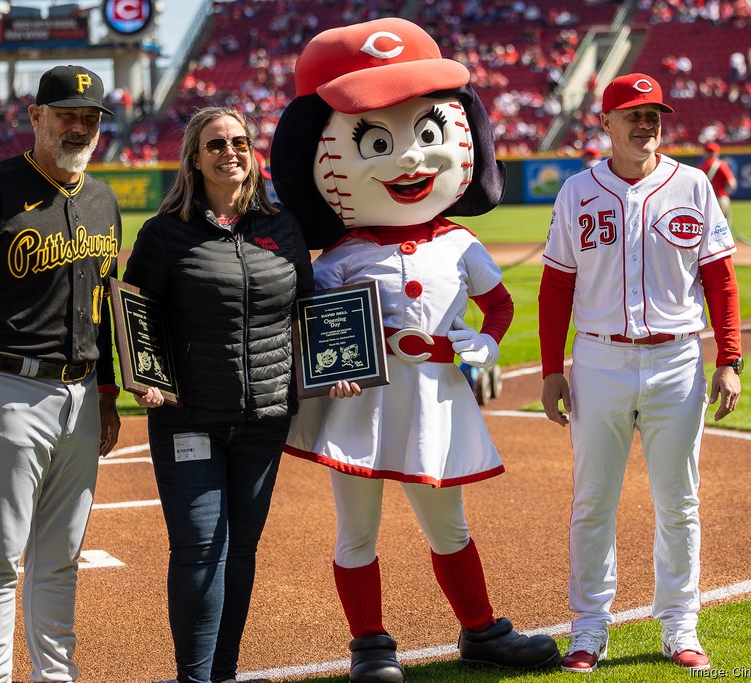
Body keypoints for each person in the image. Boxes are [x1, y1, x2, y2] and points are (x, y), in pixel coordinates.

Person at [273, 18, 561, 683]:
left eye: (424, 134)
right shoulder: (338, 258)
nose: (408, 157)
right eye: (378, 141)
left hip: (436, 393)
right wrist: (326, 364)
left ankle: (481, 629)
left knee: (449, 526)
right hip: (360, 405)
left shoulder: (459, 242)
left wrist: (485, 345)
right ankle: (370, 646)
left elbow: (500, 305)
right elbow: (309, 318)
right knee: (357, 532)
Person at [539, 72, 742, 673]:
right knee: (593, 500)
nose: (645, 122)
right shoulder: (577, 191)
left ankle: (680, 623)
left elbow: (721, 281)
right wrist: (552, 370)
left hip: (677, 358)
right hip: (599, 359)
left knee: (678, 500)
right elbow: (556, 287)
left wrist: (729, 359)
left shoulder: (695, 186)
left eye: (653, 112)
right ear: (605, 122)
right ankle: (589, 628)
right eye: (632, 112)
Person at [0, 64, 122, 683]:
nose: (80, 127)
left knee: (62, 555)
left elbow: (105, 305)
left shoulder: (103, 199)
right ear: (35, 117)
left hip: (81, 392)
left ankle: (54, 676)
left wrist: (109, 392)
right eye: (67, 114)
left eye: (90, 118)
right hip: (4, 385)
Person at [122, 106, 313, 683]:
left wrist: (335, 364)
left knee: (243, 551)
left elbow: (306, 308)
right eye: (215, 145)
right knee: (201, 550)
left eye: (239, 142)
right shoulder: (165, 233)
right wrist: (146, 377)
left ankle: (224, 672)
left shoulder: (282, 226)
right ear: (194, 159)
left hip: (265, 417)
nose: (229, 152)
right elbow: (137, 314)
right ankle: (195, 676)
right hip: (190, 419)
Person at [698, 141, 737, 221]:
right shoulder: (721, 165)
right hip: (720, 197)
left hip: (705, 200)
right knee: (723, 227)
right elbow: (731, 184)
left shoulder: (700, 166)